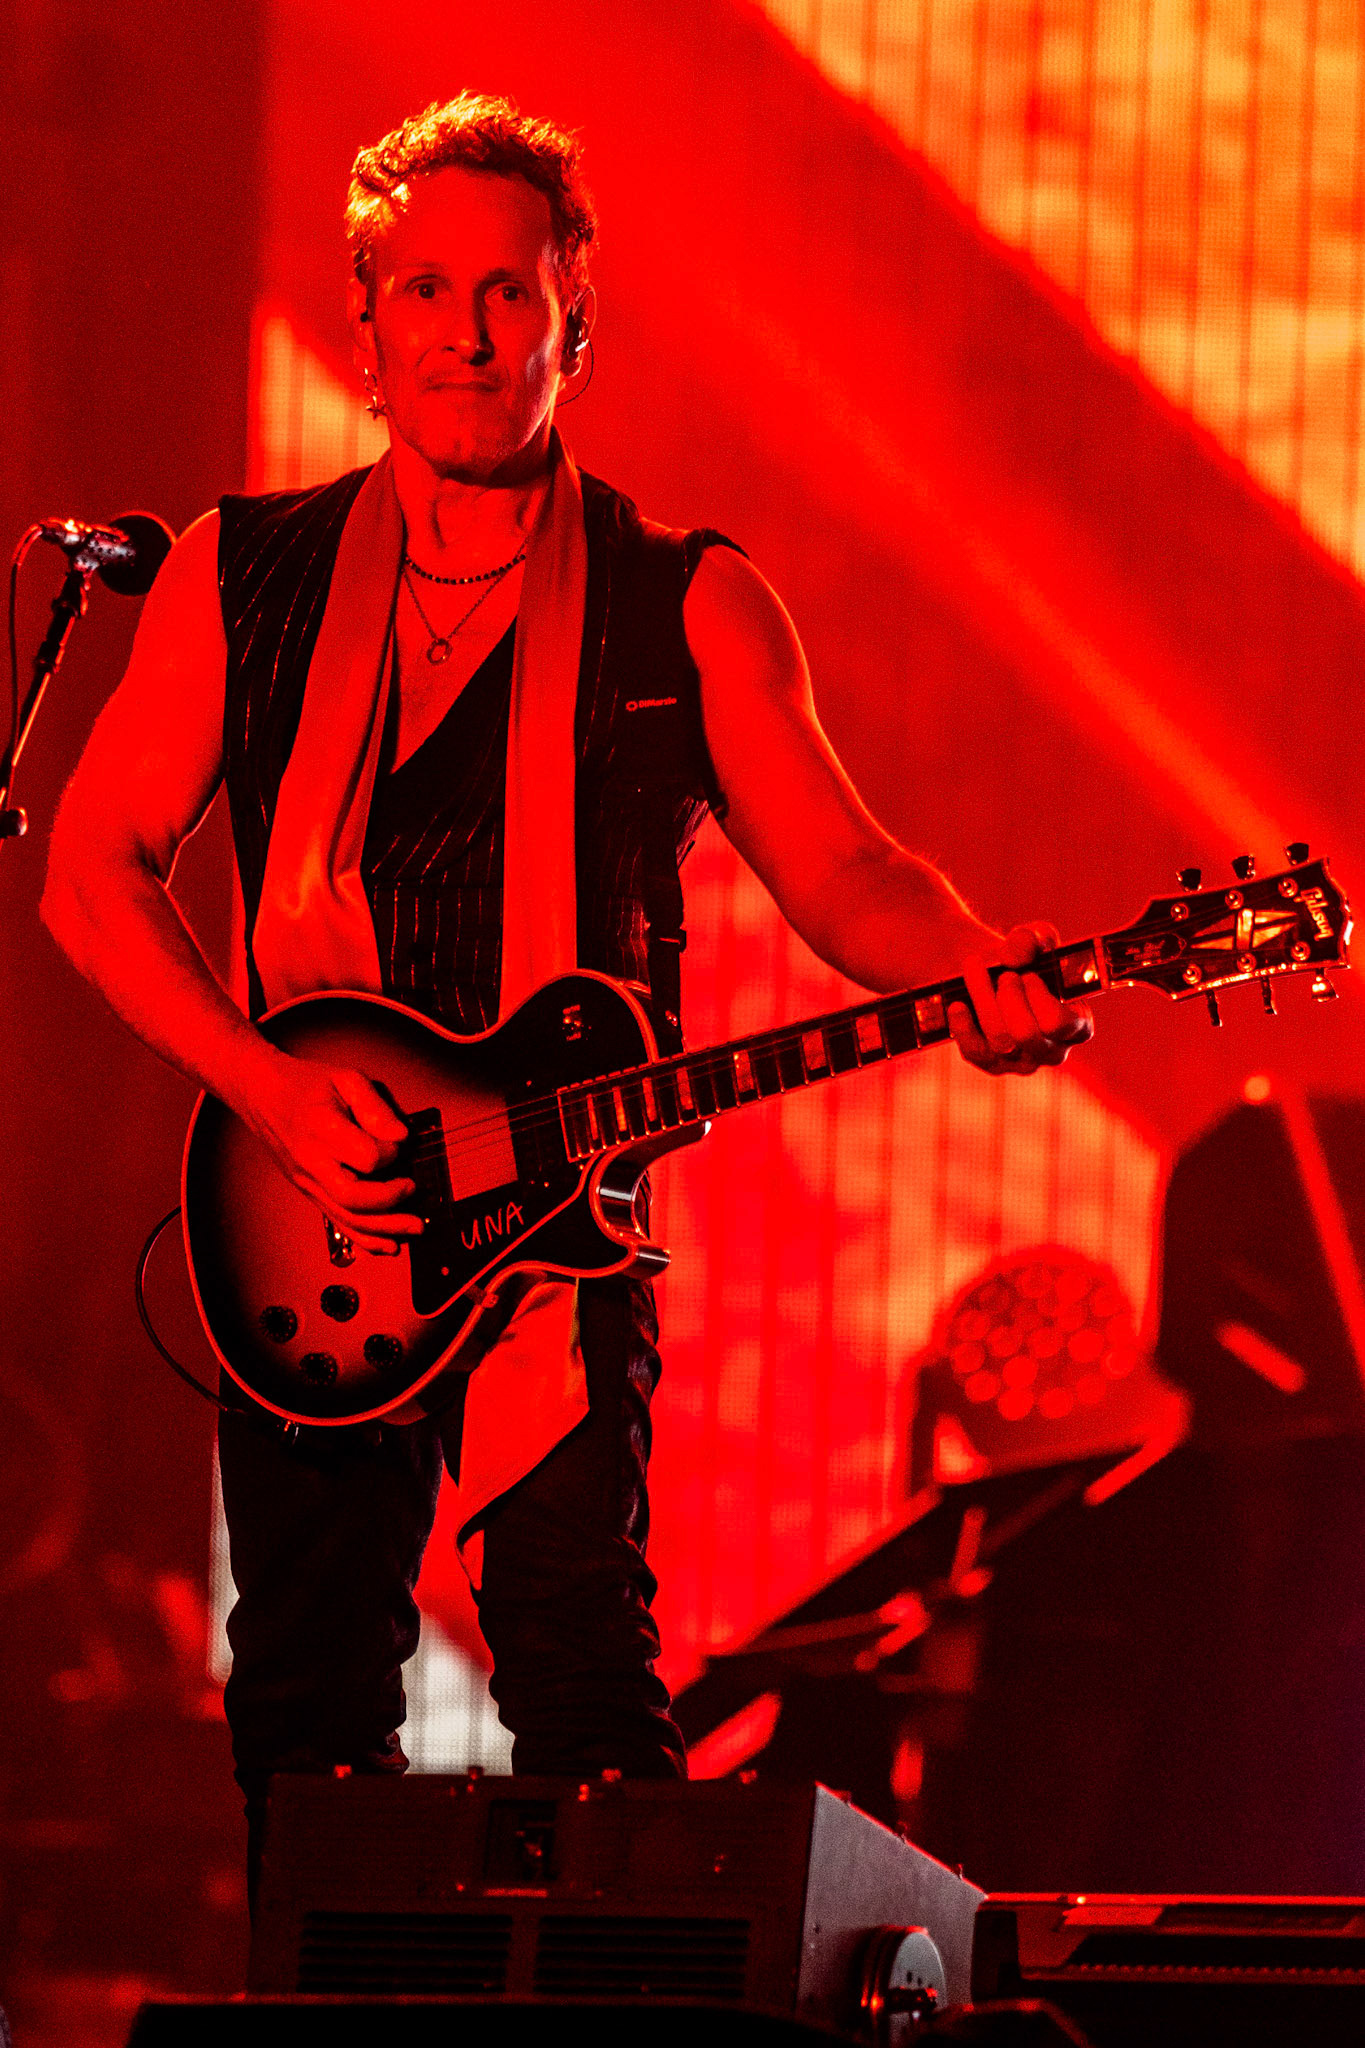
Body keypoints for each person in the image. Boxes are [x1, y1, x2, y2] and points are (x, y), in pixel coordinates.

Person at [40, 93, 1091, 1889]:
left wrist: (976, 962)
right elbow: (89, 872)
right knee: (303, 1702)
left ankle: (614, 2003)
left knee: (588, 1688)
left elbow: (846, 873)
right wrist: (268, 1087)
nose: (465, 332)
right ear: (365, 324)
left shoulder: (690, 601)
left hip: (559, 1240)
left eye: (506, 293)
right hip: (312, 1217)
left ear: (571, 320)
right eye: (424, 290)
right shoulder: (236, 570)